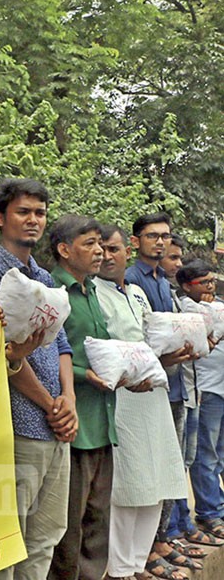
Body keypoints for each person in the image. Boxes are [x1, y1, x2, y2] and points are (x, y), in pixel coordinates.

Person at [0, 178, 77, 580]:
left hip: (56, 428)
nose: (33, 220)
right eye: (23, 212)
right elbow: (0, 352)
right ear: (1, 218)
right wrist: (51, 404)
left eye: (40, 213)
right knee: (8, 542)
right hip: (18, 426)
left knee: (46, 536)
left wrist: (68, 399)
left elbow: (61, 343)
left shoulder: (44, 277)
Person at [93, 224, 191, 580]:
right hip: (122, 397)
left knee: (158, 477)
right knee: (128, 483)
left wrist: (173, 354)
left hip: (154, 393)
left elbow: (150, 341)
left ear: (127, 251)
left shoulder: (136, 293)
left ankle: (136, 564)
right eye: (100, 248)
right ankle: (119, 569)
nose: (106, 256)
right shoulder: (93, 292)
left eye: (113, 249)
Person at [124, 213, 196, 568]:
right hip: (146, 388)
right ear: (135, 241)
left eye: (165, 236)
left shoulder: (163, 282)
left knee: (170, 466)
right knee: (147, 471)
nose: (160, 242)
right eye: (153, 236)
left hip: (174, 384)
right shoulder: (131, 280)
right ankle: (145, 550)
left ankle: (163, 538)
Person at [46, 214, 114, 580]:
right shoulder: (53, 291)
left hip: (102, 420)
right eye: (89, 244)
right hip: (72, 424)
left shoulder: (92, 291)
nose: (100, 251)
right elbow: (47, 354)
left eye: (100, 243)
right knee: (69, 525)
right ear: (64, 249)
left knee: (98, 519)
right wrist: (83, 375)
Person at [177, 262, 224, 545]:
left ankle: (217, 505)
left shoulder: (216, 307)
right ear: (186, 286)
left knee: (219, 454)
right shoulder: (186, 309)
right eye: (204, 282)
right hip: (205, 389)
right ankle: (209, 512)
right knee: (205, 455)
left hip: (221, 387)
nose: (211, 286)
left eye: (212, 281)